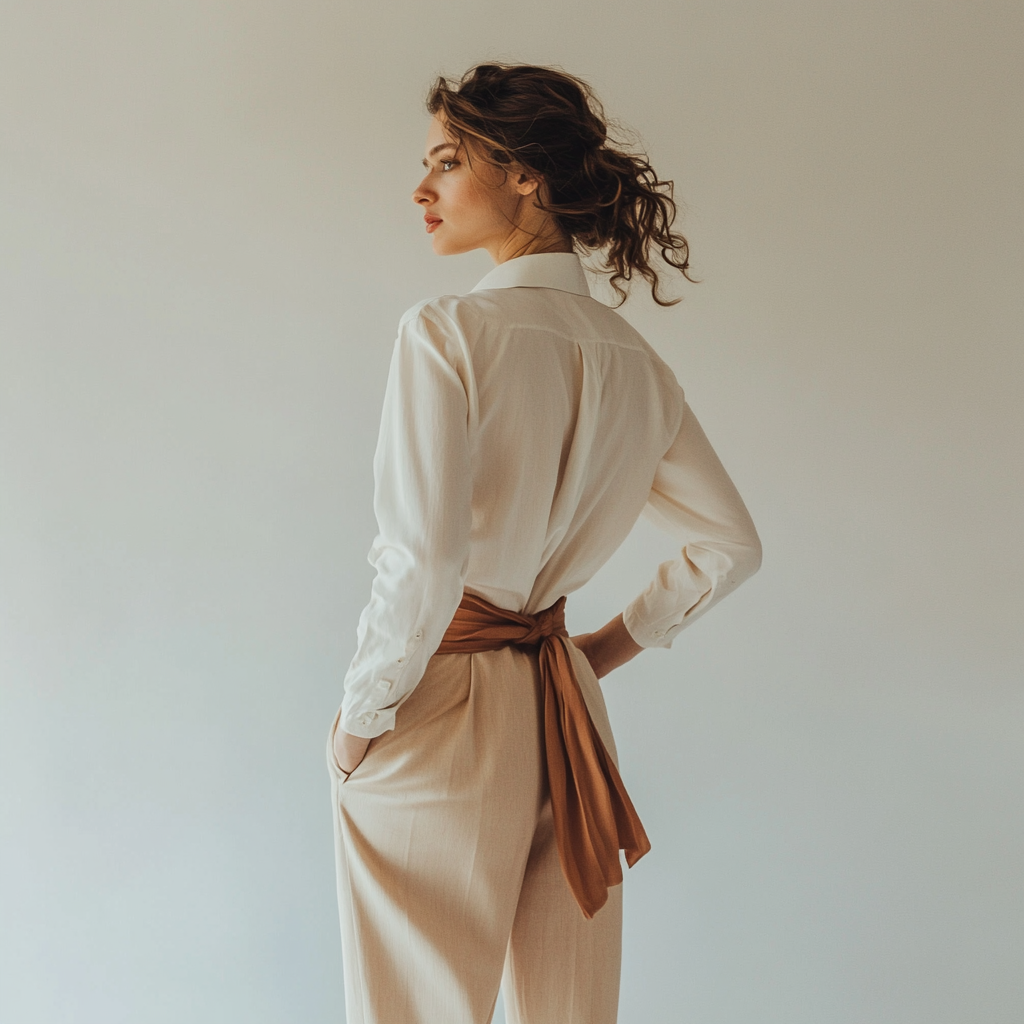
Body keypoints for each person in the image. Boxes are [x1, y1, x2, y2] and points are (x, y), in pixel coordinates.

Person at [326, 62, 762, 1024]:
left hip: (438, 701)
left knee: (415, 1008)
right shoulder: (638, 364)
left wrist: (360, 719)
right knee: (566, 1010)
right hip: (563, 708)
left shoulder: (447, 332)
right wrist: (594, 655)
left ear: (525, 174)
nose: (421, 189)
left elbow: (425, 560)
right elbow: (729, 544)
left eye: (447, 160)